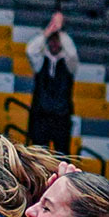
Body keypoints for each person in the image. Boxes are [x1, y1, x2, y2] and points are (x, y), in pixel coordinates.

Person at [25, 12, 77, 154]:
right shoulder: (41, 60)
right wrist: (48, 31)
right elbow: (30, 50)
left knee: (63, 155)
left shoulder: (69, 63)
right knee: (38, 155)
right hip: (40, 116)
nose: (55, 43)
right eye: (52, 40)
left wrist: (59, 30)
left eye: (57, 40)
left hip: (61, 117)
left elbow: (72, 53)